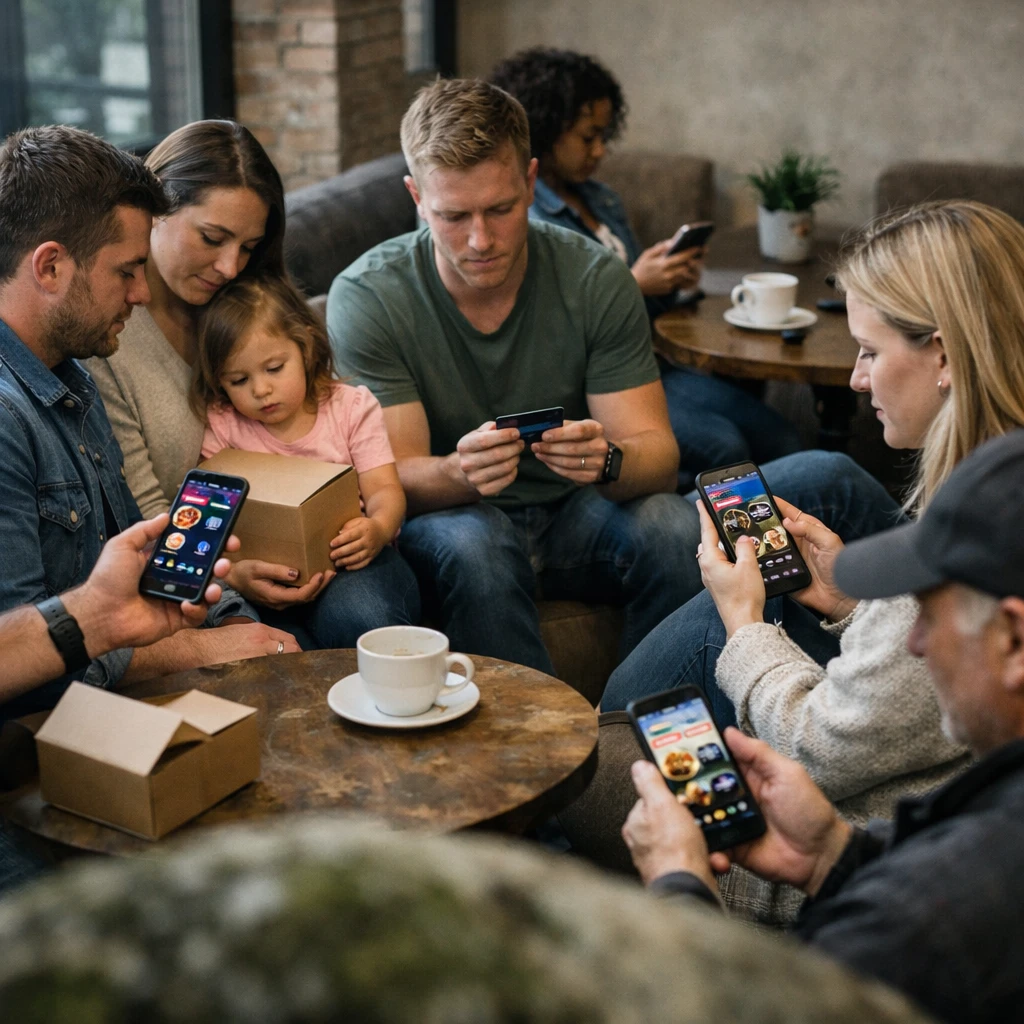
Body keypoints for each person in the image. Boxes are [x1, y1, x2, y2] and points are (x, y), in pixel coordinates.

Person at [602, 200, 1024, 919]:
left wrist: (743, 623)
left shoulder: (971, 533)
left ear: (945, 355)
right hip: (858, 836)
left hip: (857, 854)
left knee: (607, 761)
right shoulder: (994, 486)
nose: (856, 380)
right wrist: (857, 605)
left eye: (868, 350)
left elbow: (824, 745)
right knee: (819, 473)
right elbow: (909, 680)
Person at [623, 428, 1024, 1024]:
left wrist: (681, 889)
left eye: (928, 616)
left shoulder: (911, 924)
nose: (909, 646)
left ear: (1013, 640)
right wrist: (832, 859)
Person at [327, 78, 701, 675]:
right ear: (416, 198)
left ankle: (639, 732)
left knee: (676, 525)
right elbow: (389, 475)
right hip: (456, 522)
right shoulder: (369, 295)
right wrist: (458, 471)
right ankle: (531, 751)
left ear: (530, 182)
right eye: (453, 216)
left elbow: (658, 455)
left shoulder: (594, 277)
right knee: (476, 545)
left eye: (500, 209)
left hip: (575, 510)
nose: (480, 240)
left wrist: (606, 459)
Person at [0, 124, 299, 723]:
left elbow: (146, 545)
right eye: (127, 271)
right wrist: (190, 649)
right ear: (51, 267)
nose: (142, 294)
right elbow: (24, 669)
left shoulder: (72, 377)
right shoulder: (9, 418)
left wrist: (228, 617)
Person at [489, 47, 802, 490]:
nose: (600, 149)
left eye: (605, 135)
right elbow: (547, 332)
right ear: (545, 130)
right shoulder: (526, 219)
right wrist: (634, 282)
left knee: (784, 436)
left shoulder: (602, 198)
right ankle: (721, 547)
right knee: (724, 447)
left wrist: (667, 282)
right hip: (600, 381)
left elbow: (640, 307)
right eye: (587, 136)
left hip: (654, 364)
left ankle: (794, 547)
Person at [85, 120, 337, 615]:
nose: (229, 268)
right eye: (212, 237)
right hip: (191, 573)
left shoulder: (251, 306)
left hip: (307, 541)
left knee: (371, 612)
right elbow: (141, 511)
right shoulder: (108, 334)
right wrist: (230, 572)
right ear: (155, 213)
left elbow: (330, 415)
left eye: (247, 247)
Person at [191, 275, 420, 647]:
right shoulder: (225, 424)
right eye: (238, 380)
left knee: (366, 615)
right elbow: (208, 517)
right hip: (263, 576)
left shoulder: (349, 409)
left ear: (306, 349)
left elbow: (385, 490)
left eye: (274, 368)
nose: (260, 390)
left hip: (350, 564)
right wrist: (234, 572)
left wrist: (377, 529)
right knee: (281, 650)